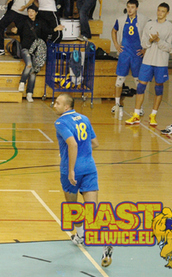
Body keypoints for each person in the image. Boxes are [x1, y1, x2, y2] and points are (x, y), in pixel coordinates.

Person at [53, 93, 113, 268]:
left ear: (66, 107)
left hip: (72, 169)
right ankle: (105, 240)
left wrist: (71, 168)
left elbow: (72, 144)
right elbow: (95, 143)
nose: (54, 105)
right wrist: (83, 154)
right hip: (90, 167)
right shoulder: (84, 118)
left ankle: (80, 235)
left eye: (57, 103)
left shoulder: (61, 122)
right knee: (92, 210)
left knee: (73, 206)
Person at [124, 3, 172, 127]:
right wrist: (150, 40)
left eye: (163, 11)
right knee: (141, 87)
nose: (160, 13)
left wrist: (158, 40)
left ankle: (153, 115)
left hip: (161, 62)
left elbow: (169, 47)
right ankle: (136, 114)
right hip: (147, 61)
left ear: (167, 13)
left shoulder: (171, 28)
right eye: (158, 10)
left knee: (158, 88)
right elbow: (144, 44)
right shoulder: (149, 25)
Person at [111, 0, 147, 116]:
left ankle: (140, 107)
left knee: (138, 81)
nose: (130, 9)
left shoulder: (144, 20)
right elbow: (113, 31)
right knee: (119, 80)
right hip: (124, 53)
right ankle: (117, 104)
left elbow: (149, 35)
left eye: (132, 7)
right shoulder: (121, 19)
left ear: (137, 8)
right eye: (128, 7)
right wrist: (116, 45)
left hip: (137, 54)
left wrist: (145, 49)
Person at [11, 5, 49, 102]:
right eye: (29, 11)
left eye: (32, 11)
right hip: (26, 49)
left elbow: (45, 34)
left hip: (36, 51)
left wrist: (55, 30)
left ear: (36, 12)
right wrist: (15, 30)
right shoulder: (24, 21)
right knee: (29, 64)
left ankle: (29, 93)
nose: (30, 13)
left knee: (33, 72)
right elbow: (18, 30)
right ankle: (22, 82)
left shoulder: (41, 23)